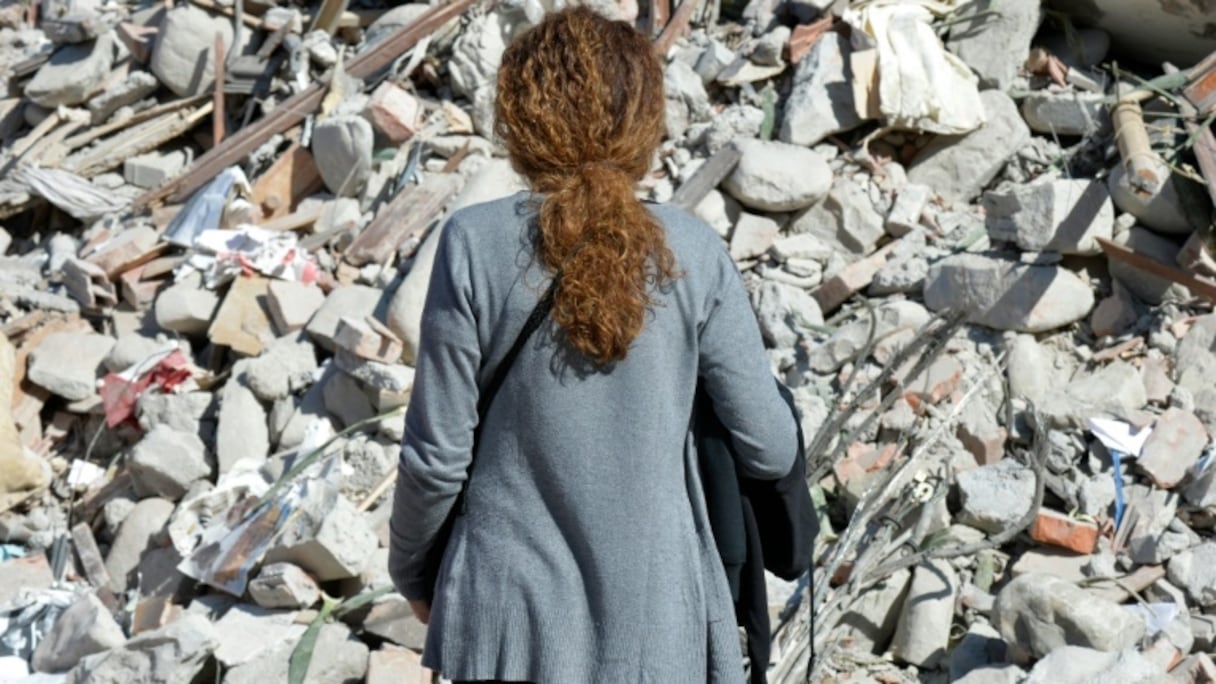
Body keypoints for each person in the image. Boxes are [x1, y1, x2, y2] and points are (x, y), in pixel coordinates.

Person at [387, 6, 798, 682]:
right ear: (644, 119)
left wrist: (413, 572)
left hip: (506, 625)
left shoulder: (473, 244)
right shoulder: (692, 249)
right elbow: (769, 445)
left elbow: (436, 459)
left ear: (519, 116)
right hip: (659, 632)